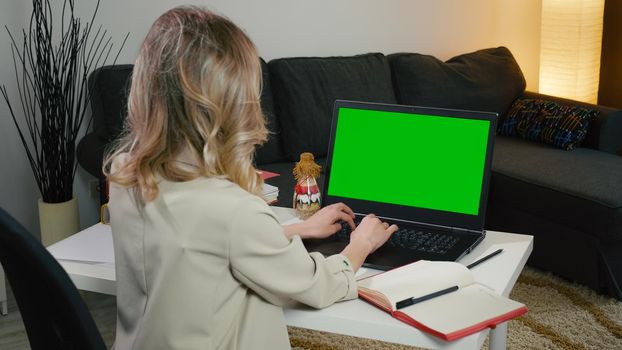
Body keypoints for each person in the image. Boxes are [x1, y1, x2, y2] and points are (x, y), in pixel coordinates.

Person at [104, 6, 397, 350]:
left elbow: (197, 246)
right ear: (234, 105)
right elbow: (315, 286)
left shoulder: (124, 173)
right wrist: (361, 243)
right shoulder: (234, 210)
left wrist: (296, 229)